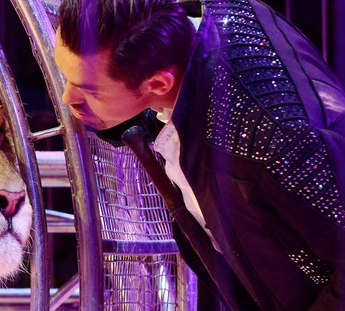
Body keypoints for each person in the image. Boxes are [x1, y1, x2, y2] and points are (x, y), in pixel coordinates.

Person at [54, 0, 345, 310]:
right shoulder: (218, 16)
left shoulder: (271, 141)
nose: (67, 97)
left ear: (157, 83)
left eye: (90, 89)